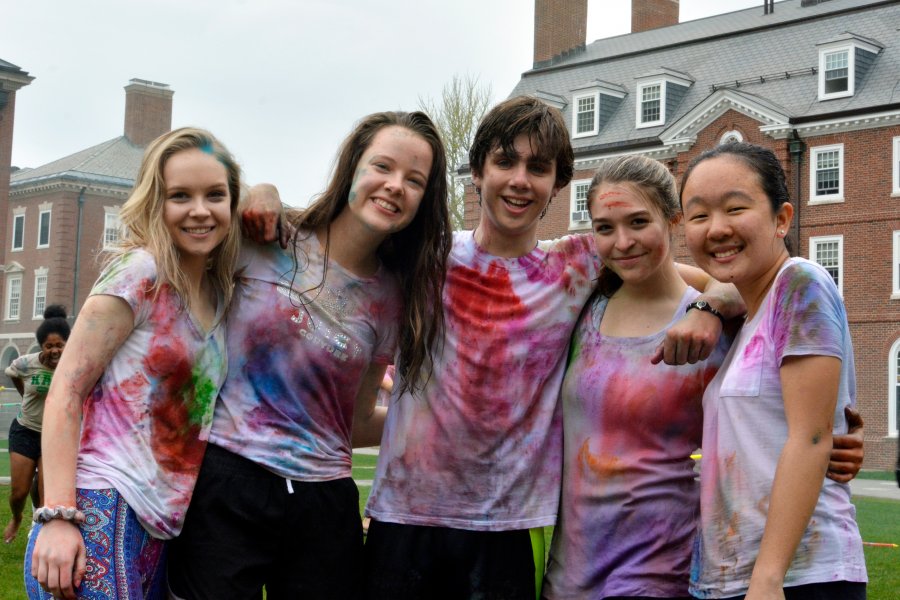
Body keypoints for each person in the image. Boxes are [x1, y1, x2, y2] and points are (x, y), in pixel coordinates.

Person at [360, 96, 737, 600]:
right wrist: (266, 197)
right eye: (504, 161)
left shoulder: (576, 265)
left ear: (557, 185)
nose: (519, 179)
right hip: (406, 516)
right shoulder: (425, 255)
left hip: (509, 529)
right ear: (477, 171)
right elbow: (334, 235)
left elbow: (730, 287)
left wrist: (708, 308)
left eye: (537, 168)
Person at [167, 111, 452, 599]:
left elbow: (356, 420)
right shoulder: (266, 239)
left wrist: (432, 419)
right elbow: (189, 234)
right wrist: (260, 190)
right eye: (382, 167)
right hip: (230, 479)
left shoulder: (393, 299)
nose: (394, 186)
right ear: (352, 168)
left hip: (323, 504)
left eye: (414, 180)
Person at [26, 127, 242, 600]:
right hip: (101, 506)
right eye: (180, 196)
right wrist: (59, 517)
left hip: (160, 525)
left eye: (215, 195)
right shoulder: (139, 273)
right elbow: (65, 391)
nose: (200, 210)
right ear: (154, 202)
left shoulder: (219, 293)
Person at [681, 142, 866, 599]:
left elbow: (813, 436)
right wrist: (707, 302)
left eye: (735, 208)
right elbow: (647, 264)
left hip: (798, 577)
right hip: (727, 579)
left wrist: (768, 578)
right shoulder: (746, 317)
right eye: (699, 215)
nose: (717, 228)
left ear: (782, 219)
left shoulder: (801, 284)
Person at [541, 155, 729, 599]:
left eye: (638, 222)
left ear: (673, 219)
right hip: (570, 571)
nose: (622, 242)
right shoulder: (584, 303)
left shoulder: (718, 320)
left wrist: (840, 435)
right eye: (605, 227)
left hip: (661, 567)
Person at [3, 305, 70, 544]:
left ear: (67, 344)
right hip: (25, 430)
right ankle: (17, 516)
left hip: (54, 435)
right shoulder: (26, 363)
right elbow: (12, 372)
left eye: (60, 345)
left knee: (46, 495)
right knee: (18, 492)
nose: (54, 351)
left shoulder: (73, 365)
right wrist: (25, 396)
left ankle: (39, 532)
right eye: (49, 346)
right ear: (41, 346)